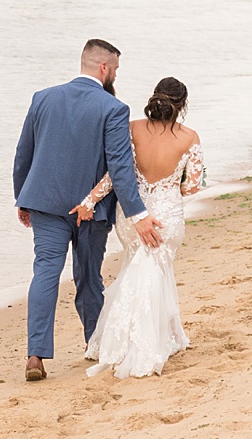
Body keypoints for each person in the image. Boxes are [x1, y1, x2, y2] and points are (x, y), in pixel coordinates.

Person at [12, 39, 161, 383]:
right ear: (104, 68)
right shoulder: (113, 108)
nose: (116, 77)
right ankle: (95, 343)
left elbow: (24, 154)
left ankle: (35, 355)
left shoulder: (43, 98)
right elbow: (120, 168)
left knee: (46, 272)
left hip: (45, 203)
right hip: (91, 212)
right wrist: (138, 215)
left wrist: (23, 198)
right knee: (88, 276)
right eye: (117, 70)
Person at [74, 78, 206, 378]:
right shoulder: (190, 137)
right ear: (182, 106)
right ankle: (147, 342)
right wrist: (173, 187)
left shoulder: (132, 128)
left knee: (138, 270)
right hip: (167, 215)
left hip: (134, 216)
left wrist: (89, 200)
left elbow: (115, 175)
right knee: (155, 274)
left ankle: (162, 335)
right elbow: (193, 185)